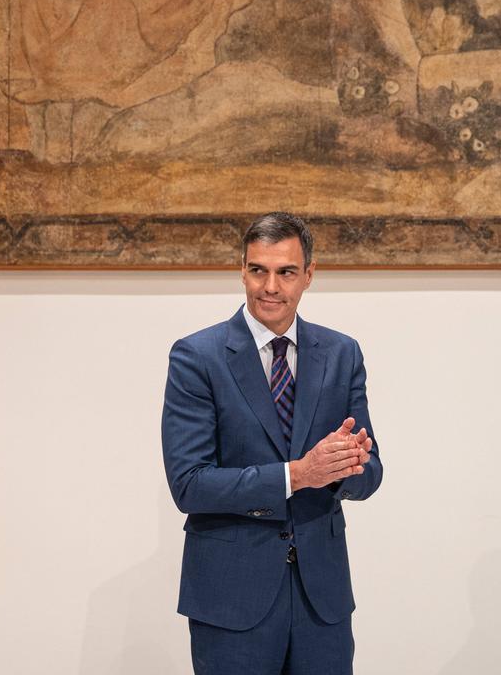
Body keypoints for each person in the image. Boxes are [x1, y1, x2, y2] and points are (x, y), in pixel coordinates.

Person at [161, 211, 382, 674]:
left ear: (308, 275)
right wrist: (297, 474)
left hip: (321, 599)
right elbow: (189, 485)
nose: (270, 287)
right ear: (241, 270)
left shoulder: (342, 354)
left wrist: (350, 467)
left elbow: (370, 474)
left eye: (285, 272)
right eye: (258, 270)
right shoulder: (197, 356)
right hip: (230, 598)